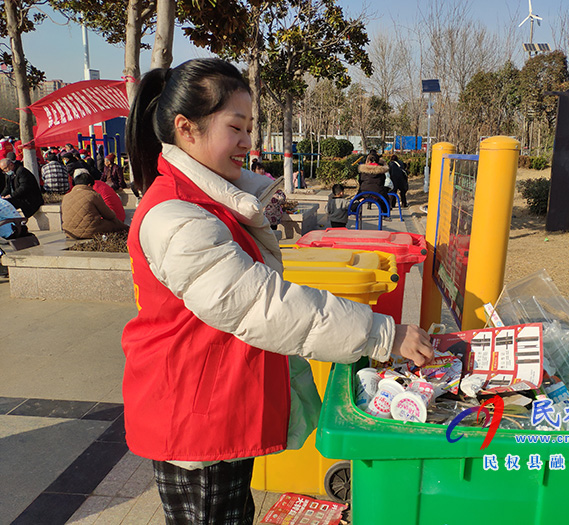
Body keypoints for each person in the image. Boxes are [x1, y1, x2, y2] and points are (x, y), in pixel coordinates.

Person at [122, 58, 433, 524]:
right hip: (196, 414)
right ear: (187, 129)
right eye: (236, 127)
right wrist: (381, 333)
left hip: (214, 403)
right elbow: (263, 305)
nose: (248, 142)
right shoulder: (178, 218)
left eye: (250, 127)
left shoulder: (209, 199)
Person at [60, 169, 128, 239]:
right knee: (114, 224)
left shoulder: (66, 196)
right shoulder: (93, 195)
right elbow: (109, 215)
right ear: (89, 185)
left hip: (69, 233)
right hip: (91, 231)